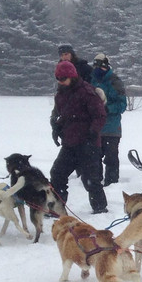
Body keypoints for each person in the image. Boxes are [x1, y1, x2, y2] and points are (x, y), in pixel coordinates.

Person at [50, 60, 108, 214]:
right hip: (69, 143)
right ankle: (57, 208)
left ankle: (100, 209)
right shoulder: (61, 95)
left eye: (63, 79)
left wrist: (93, 132)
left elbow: (100, 116)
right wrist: (57, 128)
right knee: (57, 173)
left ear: (72, 77)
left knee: (91, 180)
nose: (60, 82)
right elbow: (64, 115)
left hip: (88, 143)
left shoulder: (87, 92)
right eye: (58, 79)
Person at [91, 53, 127, 186]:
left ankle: (112, 184)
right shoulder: (91, 80)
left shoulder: (115, 81)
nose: (98, 69)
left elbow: (122, 104)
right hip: (95, 127)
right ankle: (95, 183)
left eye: (101, 66)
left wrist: (106, 109)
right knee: (94, 158)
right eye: (96, 66)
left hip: (112, 127)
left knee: (111, 158)